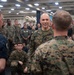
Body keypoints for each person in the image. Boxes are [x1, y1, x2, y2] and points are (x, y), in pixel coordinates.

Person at [30, 10, 74, 75]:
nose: (45, 22)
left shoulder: (41, 50)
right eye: (43, 20)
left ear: (52, 26)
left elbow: (35, 71)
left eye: (46, 19)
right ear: (69, 27)